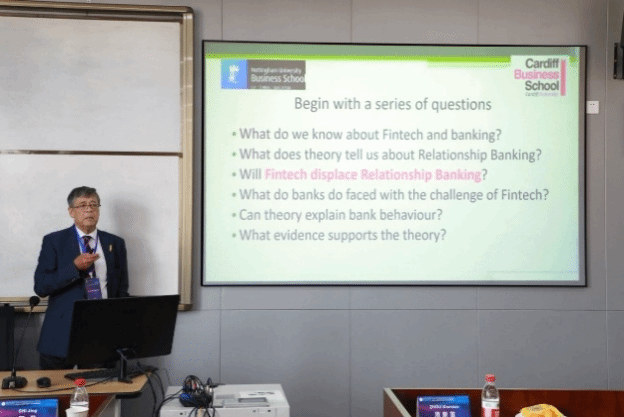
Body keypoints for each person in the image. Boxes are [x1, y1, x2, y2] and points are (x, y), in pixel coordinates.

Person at [34, 186, 129, 370]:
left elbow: (121, 289)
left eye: (93, 204)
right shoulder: (54, 241)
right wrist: (74, 267)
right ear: (71, 211)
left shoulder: (115, 243)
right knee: (59, 388)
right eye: (83, 205)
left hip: (101, 333)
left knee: (95, 387)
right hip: (61, 333)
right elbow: (41, 286)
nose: (89, 210)